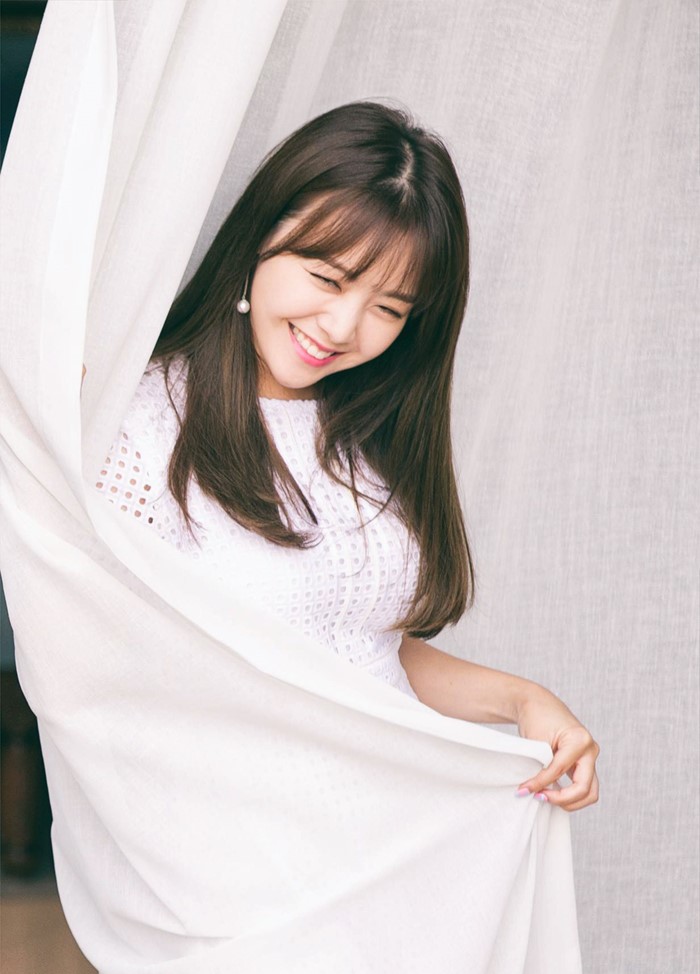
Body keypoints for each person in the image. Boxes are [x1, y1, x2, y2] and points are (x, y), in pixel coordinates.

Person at [92, 99, 599, 811]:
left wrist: (524, 701)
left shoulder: (362, 430)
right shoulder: (142, 430)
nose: (340, 327)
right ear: (259, 239)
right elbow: (110, 688)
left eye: (389, 308)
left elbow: (361, 648)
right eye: (327, 278)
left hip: (395, 822)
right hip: (243, 838)